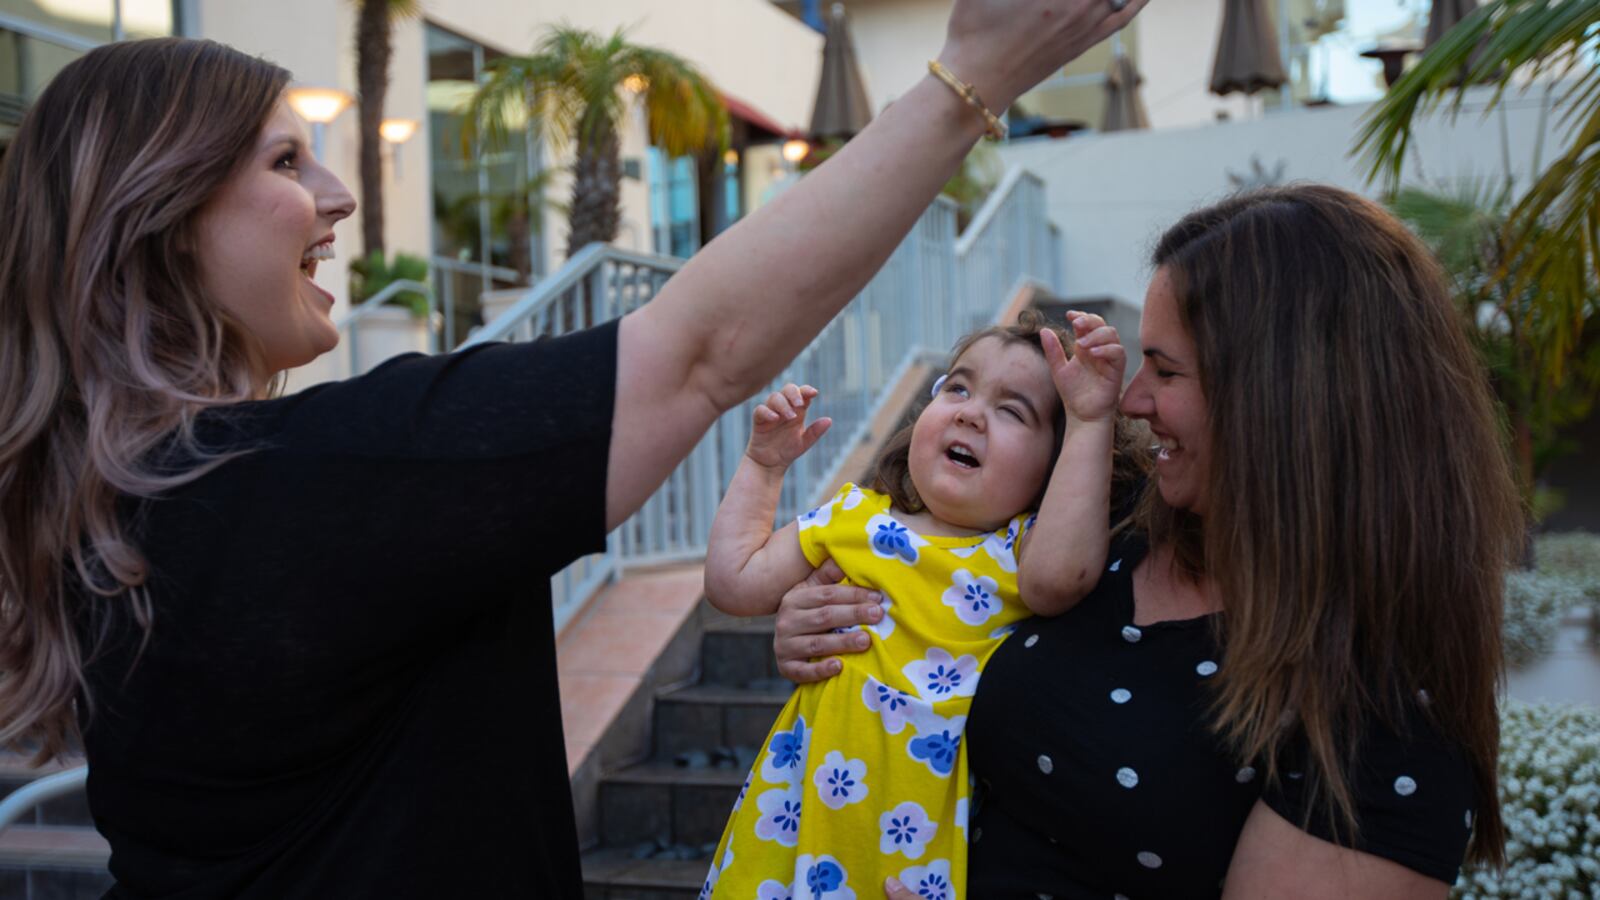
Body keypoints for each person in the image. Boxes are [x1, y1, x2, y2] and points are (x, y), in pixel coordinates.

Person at [0, 1, 1148, 896]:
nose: (339, 195)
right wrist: (969, 81)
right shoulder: (304, 479)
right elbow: (703, 351)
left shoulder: (116, 506)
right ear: (157, 213)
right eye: (286, 163)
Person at [771, 184, 1524, 899]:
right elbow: (926, 567)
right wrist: (826, 620)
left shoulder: (1386, 724)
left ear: (1282, 403)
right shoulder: (1114, 516)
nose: (1131, 399)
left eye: (1164, 370)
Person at [699, 311, 1132, 897]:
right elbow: (735, 582)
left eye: (1012, 411)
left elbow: (1063, 578)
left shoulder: (1023, 554)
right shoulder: (856, 515)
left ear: (1053, 469)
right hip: (792, 828)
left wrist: (1088, 422)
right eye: (957, 386)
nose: (970, 412)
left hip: (912, 850)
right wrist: (762, 467)